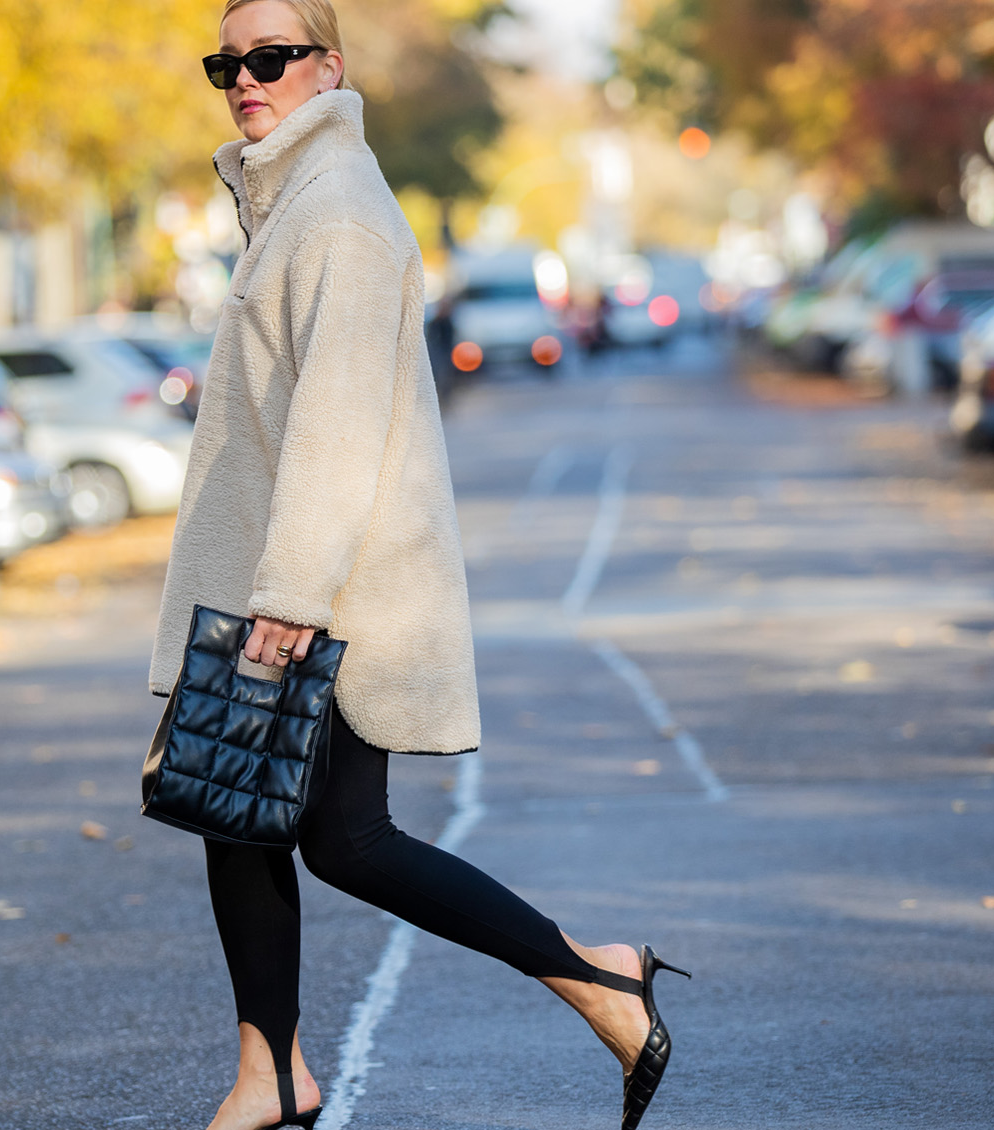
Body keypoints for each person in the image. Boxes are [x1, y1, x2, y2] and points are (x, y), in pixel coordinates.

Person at [148, 3, 690, 1128]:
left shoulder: (335, 212)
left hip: (322, 584)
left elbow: (339, 419)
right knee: (236, 808)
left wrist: (288, 592)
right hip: (293, 572)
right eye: (225, 64)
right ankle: (273, 1072)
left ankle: (594, 977)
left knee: (339, 837)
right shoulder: (291, 201)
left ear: (328, 67)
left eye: (269, 58)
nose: (244, 80)